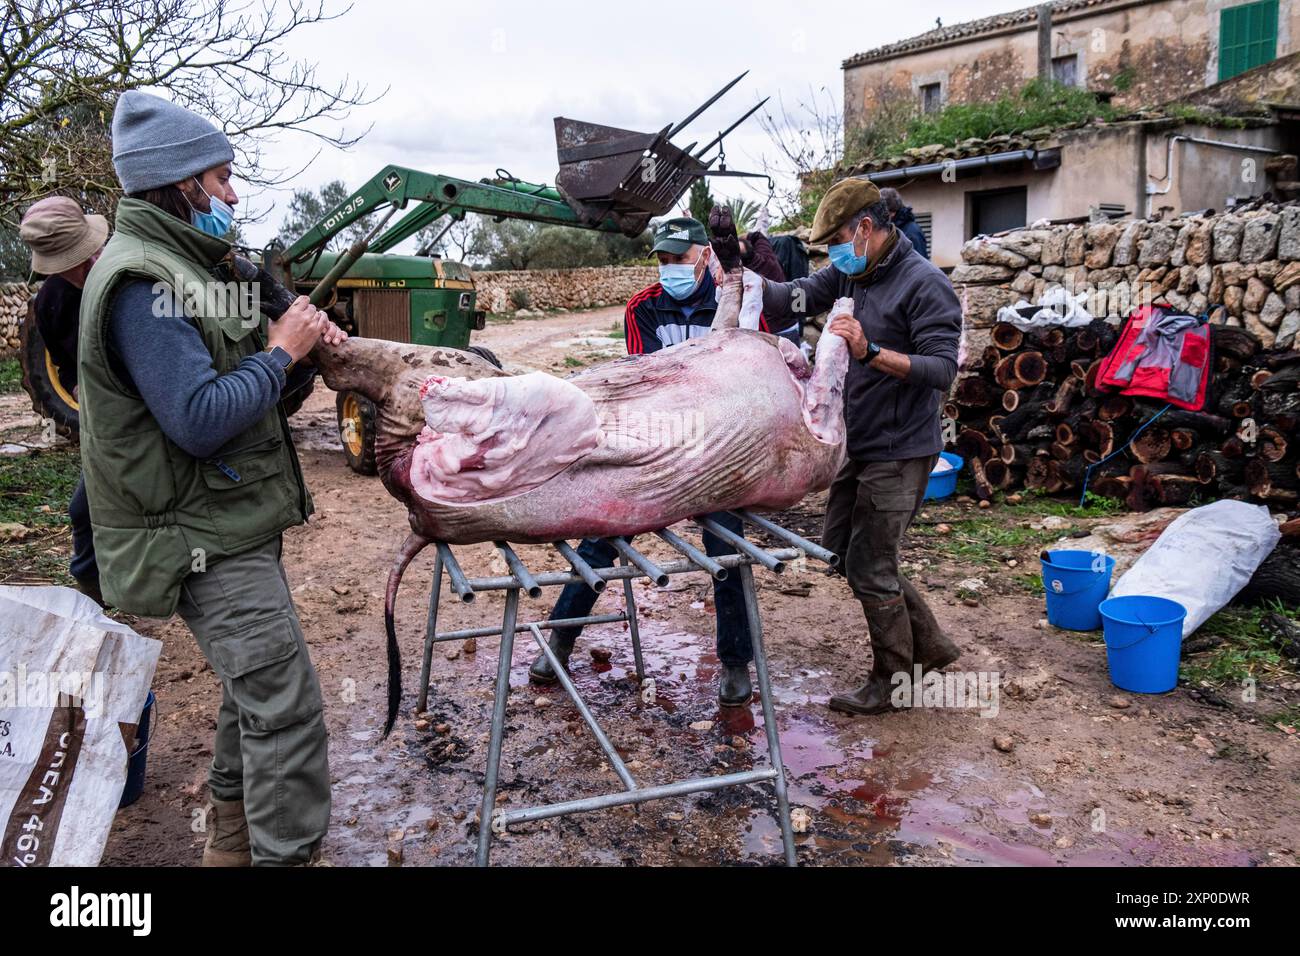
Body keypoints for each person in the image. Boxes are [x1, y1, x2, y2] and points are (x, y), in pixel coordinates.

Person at [78, 90, 346, 865]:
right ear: (180, 183)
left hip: (227, 525)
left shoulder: (192, 268)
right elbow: (196, 418)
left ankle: (229, 850)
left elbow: (244, 398)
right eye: (220, 178)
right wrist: (282, 352)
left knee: (248, 698)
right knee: (286, 709)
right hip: (196, 538)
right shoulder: (142, 285)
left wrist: (291, 363)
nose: (232, 195)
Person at [527, 216, 761, 706]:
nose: (669, 267)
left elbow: (753, 373)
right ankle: (562, 637)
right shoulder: (644, 308)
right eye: (662, 259)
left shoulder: (735, 302)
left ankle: (736, 662)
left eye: (678, 257)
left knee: (727, 546)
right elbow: (649, 384)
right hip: (660, 440)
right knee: (604, 534)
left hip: (721, 445)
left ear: (704, 255)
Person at [755, 178, 962, 716]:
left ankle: (893, 681)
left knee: (872, 563)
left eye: (838, 244)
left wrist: (870, 351)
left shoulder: (924, 285)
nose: (833, 257)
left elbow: (941, 370)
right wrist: (742, 262)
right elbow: (788, 299)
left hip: (900, 449)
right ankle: (931, 646)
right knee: (845, 553)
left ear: (865, 229)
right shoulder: (856, 272)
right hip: (859, 443)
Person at [18, 197, 109, 601]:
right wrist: (76, 386)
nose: (88, 263)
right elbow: (61, 362)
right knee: (82, 510)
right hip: (109, 420)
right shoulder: (51, 302)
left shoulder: (125, 277)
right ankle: (92, 599)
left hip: (159, 409)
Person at [880, 186, 929, 260]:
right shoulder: (891, 229)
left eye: (881, 212)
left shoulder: (912, 232)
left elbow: (920, 263)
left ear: (892, 212)